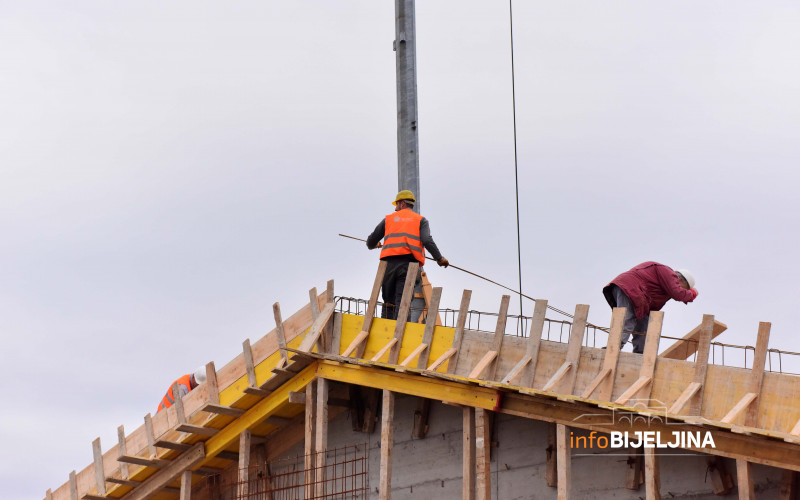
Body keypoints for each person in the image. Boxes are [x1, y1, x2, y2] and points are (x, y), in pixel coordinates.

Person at [366, 190, 449, 320]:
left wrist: (376, 243)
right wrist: (440, 259)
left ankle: (386, 330)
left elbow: (370, 242)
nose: (395, 208)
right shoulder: (421, 220)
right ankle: (402, 334)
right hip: (409, 266)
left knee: (388, 302)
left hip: (388, 266)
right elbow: (427, 240)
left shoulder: (389, 219)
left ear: (402, 204)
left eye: (396, 205)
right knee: (403, 302)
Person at [603, 262, 698, 353]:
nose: (682, 290)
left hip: (633, 291)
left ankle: (640, 353)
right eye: (684, 288)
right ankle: (613, 348)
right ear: (680, 280)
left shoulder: (665, 285)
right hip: (630, 288)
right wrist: (692, 294)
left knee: (643, 321)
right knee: (627, 317)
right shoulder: (670, 275)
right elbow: (678, 294)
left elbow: (653, 307)